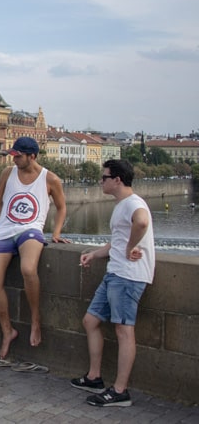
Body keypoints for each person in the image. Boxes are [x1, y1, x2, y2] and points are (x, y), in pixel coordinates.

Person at [71, 159, 155, 407]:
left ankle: (120, 391)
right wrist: (95, 254)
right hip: (115, 272)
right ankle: (95, 377)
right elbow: (118, 240)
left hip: (128, 276)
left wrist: (131, 247)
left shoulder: (134, 203)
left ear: (117, 180)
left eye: (104, 177)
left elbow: (141, 223)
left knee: (123, 330)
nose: (101, 181)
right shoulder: (121, 205)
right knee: (90, 321)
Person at [0, 136, 68, 362]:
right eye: (14, 155)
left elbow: (61, 207)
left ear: (32, 156)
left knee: (28, 269)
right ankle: (8, 330)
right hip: (5, 230)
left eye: (18, 156)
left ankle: (35, 320)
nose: (15, 159)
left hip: (31, 228)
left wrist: (55, 233)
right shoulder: (7, 174)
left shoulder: (50, 179)